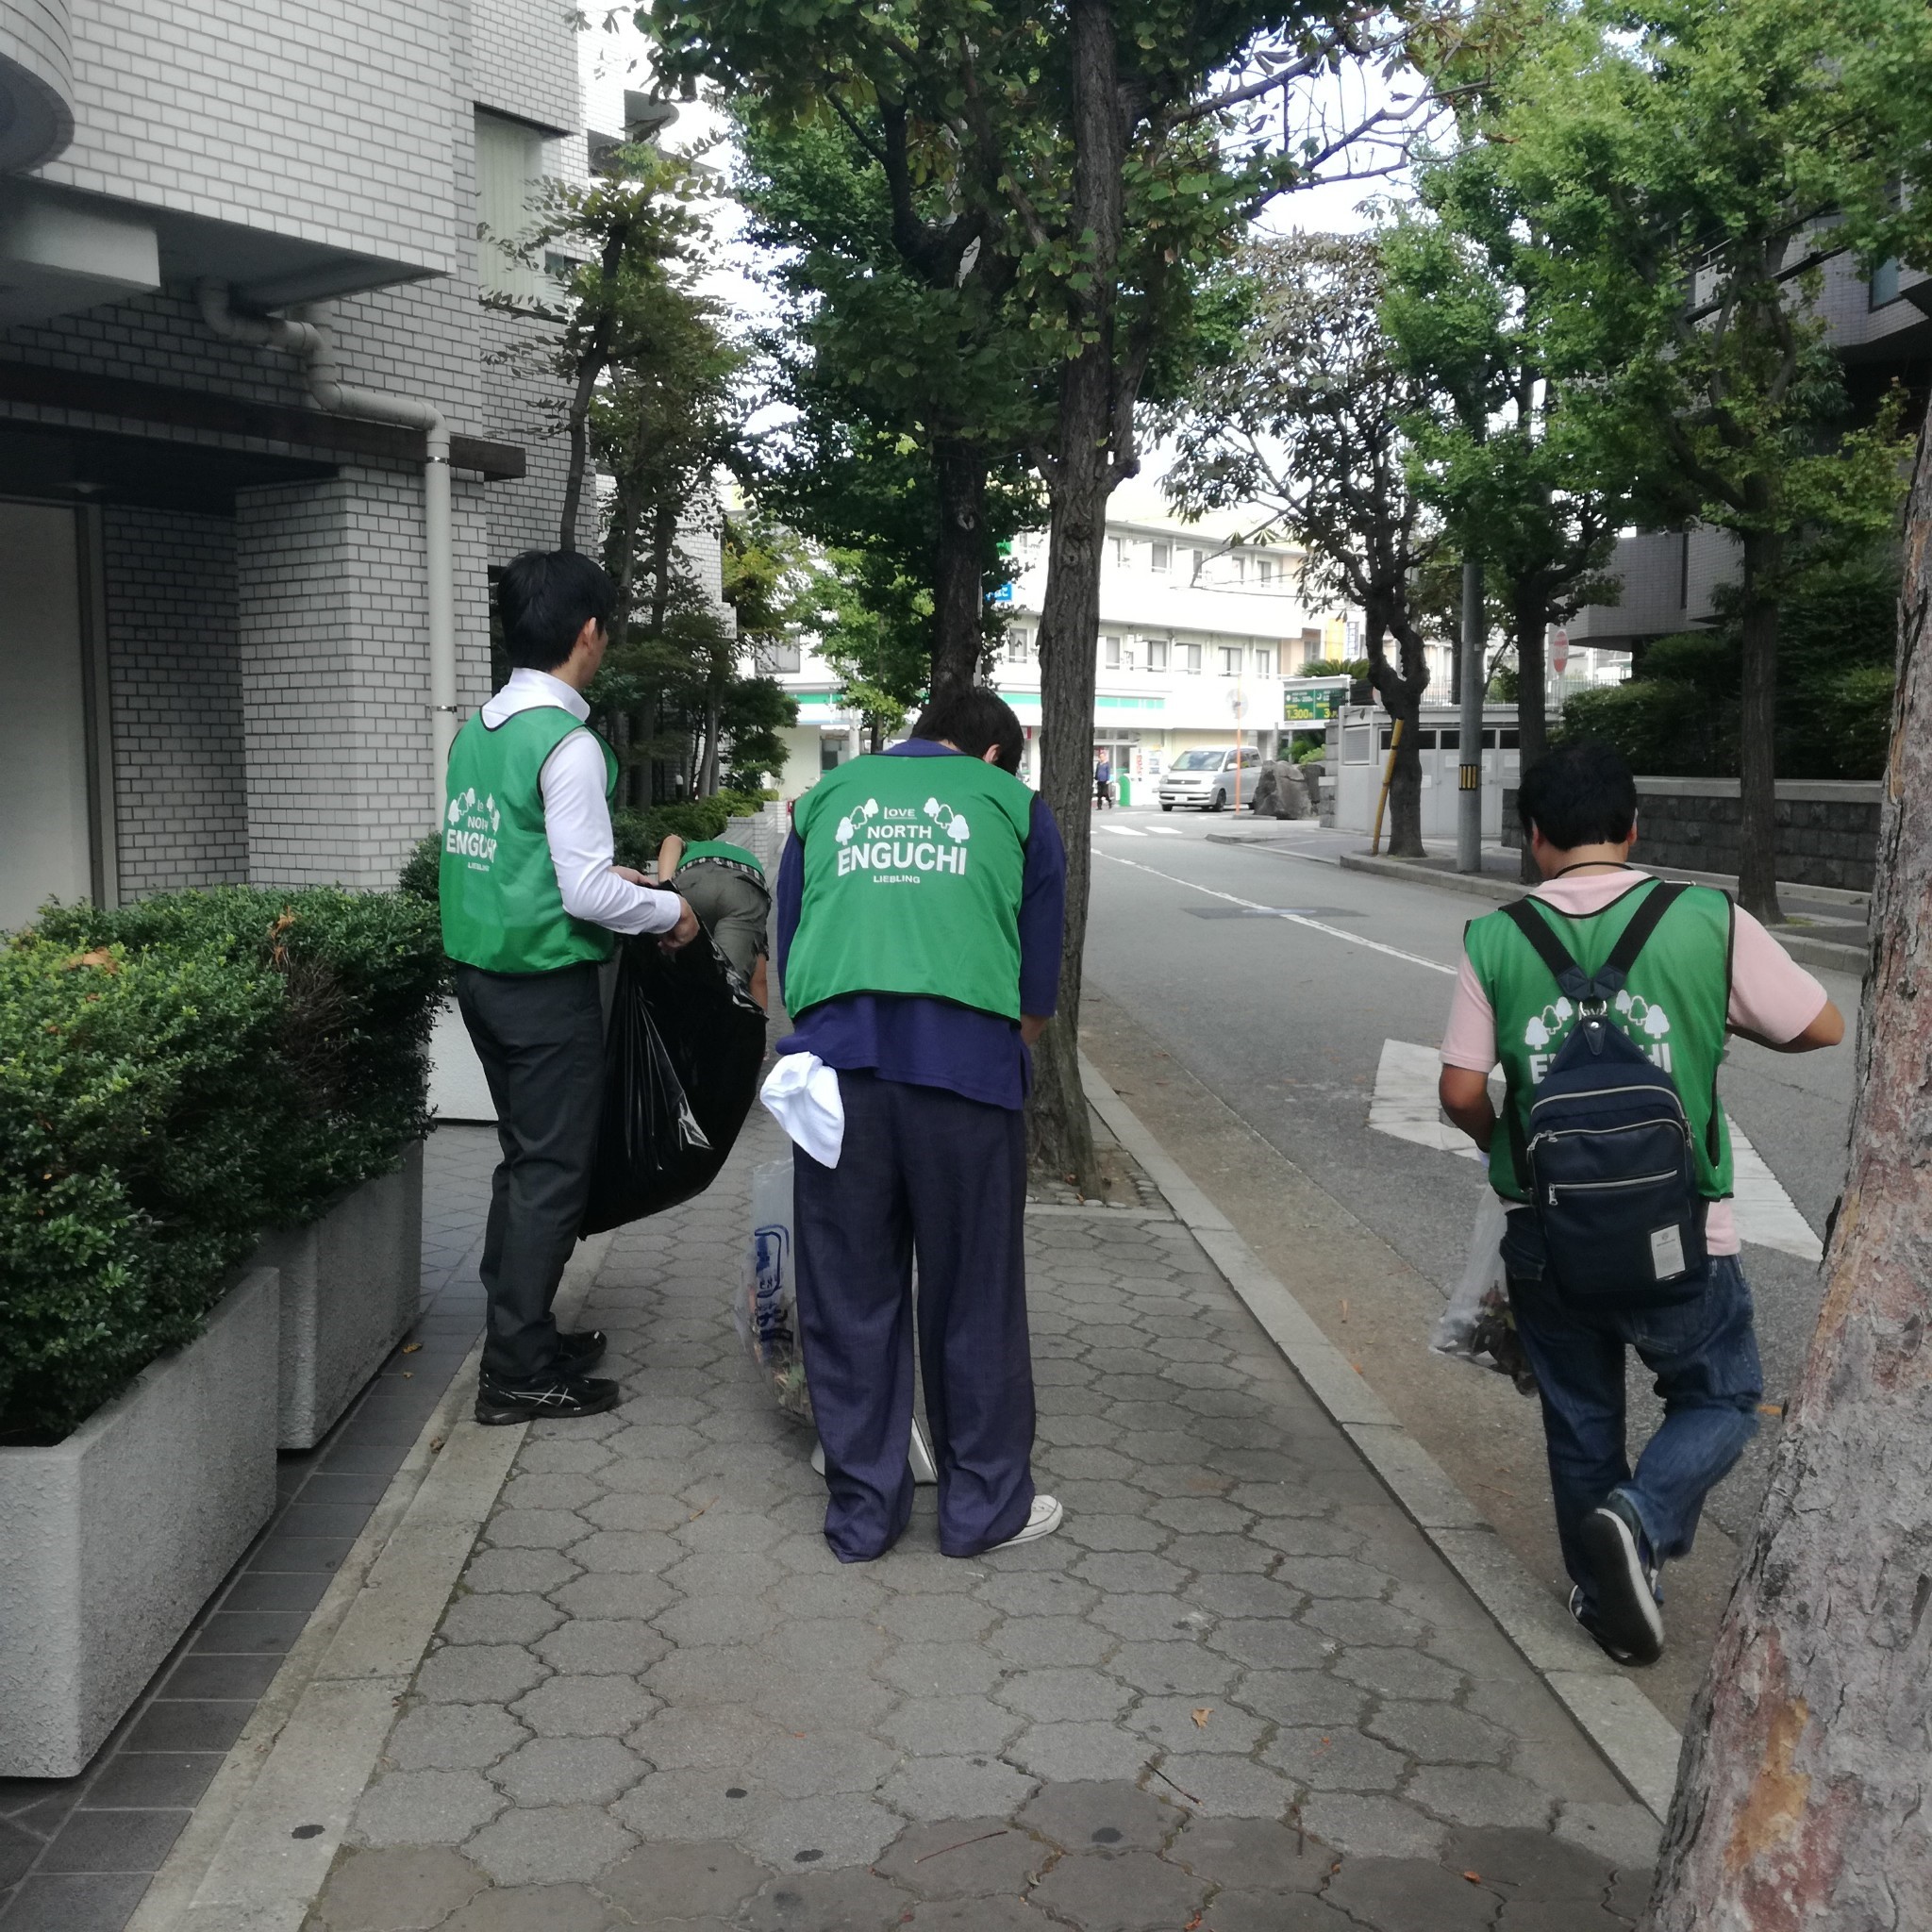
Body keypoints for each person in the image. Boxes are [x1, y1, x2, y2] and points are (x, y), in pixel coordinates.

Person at [1439, 741, 1842, 1665]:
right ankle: (1642, 1513)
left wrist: (1499, 1150)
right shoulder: (1705, 918)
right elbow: (1817, 1021)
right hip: (1680, 1223)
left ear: (1533, 838)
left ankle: (1607, 1597)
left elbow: (1462, 1090)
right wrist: (1713, 1015)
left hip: (1544, 1230)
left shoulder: (1492, 937)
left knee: (1580, 1414)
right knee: (1723, 1391)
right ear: (1632, 828)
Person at [774, 688, 1067, 1563]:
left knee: (848, 1294)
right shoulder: (1016, 807)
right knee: (973, 1292)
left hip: (837, 1081)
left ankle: (864, 1513)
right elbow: (1036, 990)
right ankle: (982, 1511)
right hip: (966, 1083)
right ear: (990, 756)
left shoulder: (824, 800)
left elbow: (789, 962)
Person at [440, 549, 700, 1425]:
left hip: (481, 975)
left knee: (524, 1162)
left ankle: (525, 1332)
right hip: (544, 988)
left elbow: (528, 859)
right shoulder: (568, 744)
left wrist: (614, 876)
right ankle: (516, 1374)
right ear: (588, 633)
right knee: (553, 1171)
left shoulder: (480, 731)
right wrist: (664, 914)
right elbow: (585, 893)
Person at [656, 829, 771, 1008]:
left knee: (684, 978)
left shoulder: (692, 847)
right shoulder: (745, 856)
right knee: (730, 989)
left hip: (695, 880)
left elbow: (671, 840)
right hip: (745, 887)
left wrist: (667, 893)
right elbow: (759, 979)